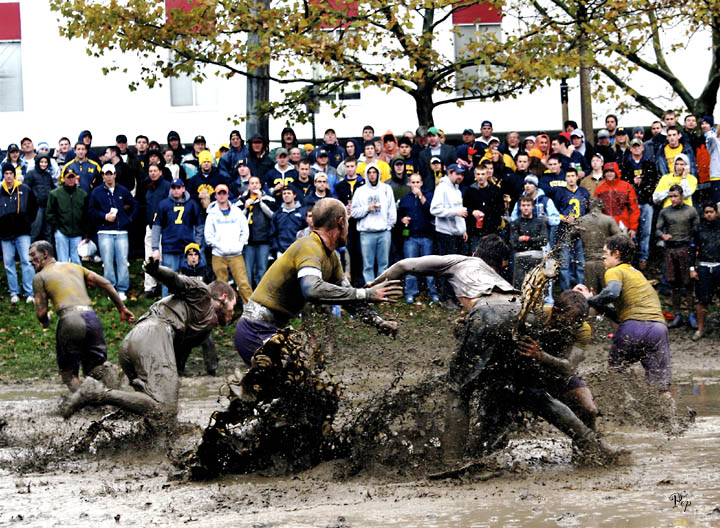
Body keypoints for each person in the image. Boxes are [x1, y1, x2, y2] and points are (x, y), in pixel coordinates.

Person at [370, 253, 609, 461]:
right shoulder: (507, 287)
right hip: (517, 312)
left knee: (458, 389)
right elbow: (505, 314)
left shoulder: (458, 262)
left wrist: (368, 288)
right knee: (524, 393)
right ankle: (592, 444)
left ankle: (452, 460)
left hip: (526, 342)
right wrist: (466, 325)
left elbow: (403, 266)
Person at [234, 198, 402, 366]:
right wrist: (366, 293)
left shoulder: (332, 257)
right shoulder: (309, 247)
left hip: (267, 331)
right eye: (348, 222)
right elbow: (311, 290)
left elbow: (349, 299)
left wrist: (378, 322)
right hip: (254, 331)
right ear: (341, 222)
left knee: (300, 385)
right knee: (297, 385)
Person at [62, 258, 236, 419]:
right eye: (233, 307)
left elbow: (177, 358)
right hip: (153, 333)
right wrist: (156, 270)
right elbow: (175, 280)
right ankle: (96, 392)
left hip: (135, 342)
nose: (233, 313)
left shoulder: (203, 329)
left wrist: (173, 384)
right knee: (165, 409)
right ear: (223, 297)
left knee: (156, 409)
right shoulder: (202, 293)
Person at [29, 240, 134, 413]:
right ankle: (118, 403)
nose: (31, 260)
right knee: (97, 368)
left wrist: (45, 321)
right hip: (92, 318)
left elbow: (41, 313)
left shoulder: (39, 277)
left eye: (33, 256)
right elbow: (106, 283)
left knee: (69, 375)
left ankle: (95, 404)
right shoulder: (74, 267)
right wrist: (121, 308)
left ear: (45, 254)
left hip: (70, 320)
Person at [575, 235, 672, 398]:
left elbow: (612, 292)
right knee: (661, 384)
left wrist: (589, 299)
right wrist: (596, 303)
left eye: (605, 253)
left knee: (615, 370)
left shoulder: (614, 271)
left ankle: (625, 409)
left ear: (616, 254)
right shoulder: (637, 274)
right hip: (659, 329)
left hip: (633, 328)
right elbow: (620, 315)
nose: (602, 257)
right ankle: (672, 417)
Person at [88, 164, 137, 301]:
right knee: (108, 262)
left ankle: (122, 289)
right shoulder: (97, 192)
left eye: (111, 173)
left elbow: (134, 205)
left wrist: (129, 219)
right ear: (102, 176)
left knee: (122, 260)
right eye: (105, 174)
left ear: (115, 174)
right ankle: (111, 289)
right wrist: (104, 217)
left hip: (121, 231)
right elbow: (91, 211)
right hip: (104, 231)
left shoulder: (123, 190)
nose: (108, 176)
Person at [656, 185, 699, 328]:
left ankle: (692, 314)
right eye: (671, 196)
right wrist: (663, 235)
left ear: (681, 196)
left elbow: (697, 229)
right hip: (671, 249)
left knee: (688, 283)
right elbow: (657, 228)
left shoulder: (690, 211)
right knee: (673, 283)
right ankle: (677, 314)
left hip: (685, 248)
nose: (673, 199)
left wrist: (695, 247)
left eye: (675, 196)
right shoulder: (665, 212)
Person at [152, 178, 203, 297]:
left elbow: (199, 226)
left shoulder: (192, 204)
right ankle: (167, 305)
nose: (176, 191)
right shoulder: (164, 204)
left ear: (183, 188)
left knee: (188, 278)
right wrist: (155, 248)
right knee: (169, 278)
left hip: (188, 248)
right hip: (170, 247)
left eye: (178, 188)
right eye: (173, 188)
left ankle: (187, 304)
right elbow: (157, 226)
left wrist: (197, 245)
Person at [204, 183, 253, 304]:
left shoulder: (237, 212)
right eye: (218, 193)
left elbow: (245, 230)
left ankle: (251, 311)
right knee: (221, 286)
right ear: (215, 196)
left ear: (227, 195)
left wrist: (240, 244)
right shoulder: (211, 214)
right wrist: (220, 246)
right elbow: (208, 236)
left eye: (223, 193)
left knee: (243, 284)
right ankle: (223, 312)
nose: (221, 196)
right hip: (218, 255)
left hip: (236, 254)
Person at [351, 164, 397, 284]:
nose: (372, 175)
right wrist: (367, 208)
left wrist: (389, 226)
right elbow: (354, 212)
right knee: (368, 265)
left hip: (383, 232)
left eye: (374, 172)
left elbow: (392, 209)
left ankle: (382, 288)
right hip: (366, 233)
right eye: (369, 172)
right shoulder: (360, 191)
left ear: (378, 174)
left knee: (383, 263)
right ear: (366, 174)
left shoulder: (386, 189)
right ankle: (370, 290)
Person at [178, 242, 218, 375]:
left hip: (203, 312)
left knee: (208, 339)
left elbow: (213, 289)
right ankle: (179, 369)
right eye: (190, 255)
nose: (193, 257)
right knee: (185, 342)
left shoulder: (206, 271)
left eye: (196, 255)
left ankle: (212, 368)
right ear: (186, 257)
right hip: (187, 312)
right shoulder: (181, 272)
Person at [397, 173, 438, 303]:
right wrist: (402, 219)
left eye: (417, 182)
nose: (415, 185)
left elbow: (430, 210)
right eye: (413, 183)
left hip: (427, 236)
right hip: (411, 237)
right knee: (410, 267)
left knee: (429, 267)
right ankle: (410, 293)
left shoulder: (429, 195)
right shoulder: (405, 199)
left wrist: (420, 196)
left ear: (421, 183)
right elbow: (399, 215)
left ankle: (433, 292)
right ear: (409, 184)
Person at [1, 162, 38, 303]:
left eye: (11, 173)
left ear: (14, 174)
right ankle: (14, 292)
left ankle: (29, 292)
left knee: (26, 260)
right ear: (3, 175)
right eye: (6, 174)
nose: (9, 176)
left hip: (22, 232)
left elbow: (33, 208)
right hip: (5, 233)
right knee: (8, 262)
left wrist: (27, 221)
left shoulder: (24, 189)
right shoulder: (0, 190)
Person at [620, 138, 660, 269]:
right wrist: (632, 182)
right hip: (630, 204)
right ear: (630, 148)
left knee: (646, 232)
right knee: (631, 232)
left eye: (638, 146)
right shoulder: (625, 164)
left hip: (646, 201)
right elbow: (622, 183)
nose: (636, 148)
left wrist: (642, 182)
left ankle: (643, 258)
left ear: (642, 148)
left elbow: (654, 182)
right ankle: (633, 258)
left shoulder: (649, 163)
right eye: (634, 146)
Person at [553, 168, 591, 291]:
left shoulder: (584, 192)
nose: (570, 178)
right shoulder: (560, 193)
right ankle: (566, 291)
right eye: (568, 176)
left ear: (577, 177)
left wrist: (583, 221)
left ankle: (580, 290)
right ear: (565, 178)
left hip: (580, 232)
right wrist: (564, 218)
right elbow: (554, 212)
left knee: (581, 263)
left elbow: (589, 211)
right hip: (565, 231)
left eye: (572, 176)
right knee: (565, 264)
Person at [139, 162, 172, 298]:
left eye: (155, 171)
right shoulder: (147, 186)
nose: (152, 173)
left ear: (160, 172)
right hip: (151, 226)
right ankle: (149, 287)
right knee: (150, 257)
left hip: (165, 227)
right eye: (150, 171)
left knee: (164, 257)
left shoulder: (167, 186)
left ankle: (167, 286)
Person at [575, 198, 620, 296]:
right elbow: (620, 237)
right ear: (602, 206)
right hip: (605, 262)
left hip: (589, 262)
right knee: (609, 295)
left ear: (589, 207)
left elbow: (569, 238)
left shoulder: (581, 221)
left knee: (591, 295)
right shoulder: (608, 220)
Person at [46, 167, 89, 265]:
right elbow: (49, 213)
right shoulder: (55, 194)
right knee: (62, 261)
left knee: (76, 261)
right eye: (68, 177)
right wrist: (56, 228)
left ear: (76, 178)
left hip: (77, 232)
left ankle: (76, 280)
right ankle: (62, 280)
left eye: (73, 177)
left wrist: (86, 234)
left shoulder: (83, 195)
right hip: (61, 232)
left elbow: (86, 215)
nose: (71, 180)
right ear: (64, 178)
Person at [690, 202, 720, 340]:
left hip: (719, 266)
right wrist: (692, 268)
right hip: (703, 267)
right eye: (706, 212)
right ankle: (700, 329)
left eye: (711, 212)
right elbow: (692, 249)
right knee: (702, 300)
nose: (709, 214)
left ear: (717, 212)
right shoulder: (698, 229)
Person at [240, 175, 276, 288]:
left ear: (260, 185)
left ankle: (261, 299)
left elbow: (272, 216)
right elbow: (237, 219)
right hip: (248, 241)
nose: (254, 185)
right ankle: (248, 299)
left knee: (262, 270)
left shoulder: (269, 199)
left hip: (263, 240)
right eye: (252, 183)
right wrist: (246, 207)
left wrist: (260, 201)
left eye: (257, 183)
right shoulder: (243, 199)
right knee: (247, 271)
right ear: (248, 186)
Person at [509, 194, 549, 288]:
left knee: (537, 288)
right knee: (519, 288)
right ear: (520, 207)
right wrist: (535, 240)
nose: (526, 208)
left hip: (537, 258)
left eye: (528, 205)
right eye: (523, 205)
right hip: (520, 259)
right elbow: (514, 243)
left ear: (532, 207)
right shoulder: (515, 224)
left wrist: (526, 238)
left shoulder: (540, 222)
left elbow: (544, 240)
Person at [594, 162, 639, 238]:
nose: (609, 174)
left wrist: (633, 227)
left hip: (622, 225)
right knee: (606, 249)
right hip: (605, 226)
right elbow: (595, 209)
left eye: (611, 171)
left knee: (622, 248)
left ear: (616, 172)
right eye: (607, 172)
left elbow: (633, 208)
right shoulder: (600, 189)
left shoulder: (626, 186)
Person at [22, 154, 55, 242]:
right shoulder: (31, 174)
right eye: (41, 162)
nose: (43, 164)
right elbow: (25, 190)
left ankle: (48, 254)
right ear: (37, 162)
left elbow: (52, 189)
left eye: (46, 162)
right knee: (35, 232)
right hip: (36, 208)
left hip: (47, 207)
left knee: (47, 232)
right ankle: (30, 253)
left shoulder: (48, 175)